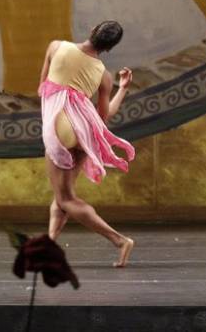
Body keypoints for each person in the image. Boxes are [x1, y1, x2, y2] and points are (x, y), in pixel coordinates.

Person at [38, 20, 136, 268]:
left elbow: (42, 88)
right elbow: (104, 115)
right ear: (110, 48)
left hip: (60, 125)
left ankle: (120, 240)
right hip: (85, 130)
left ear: (92, 29)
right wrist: (122, 89)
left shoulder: (56, 46)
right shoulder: (103, 75)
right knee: (63, 193)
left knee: (65, 199)